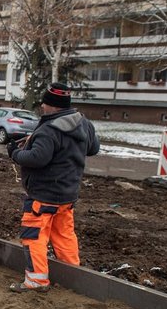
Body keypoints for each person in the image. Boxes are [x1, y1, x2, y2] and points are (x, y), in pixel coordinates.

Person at [7, 82, 100, 293]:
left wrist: (14, 153)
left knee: (34, 236)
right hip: (67, 194)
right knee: (64, 235)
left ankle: (36, 281)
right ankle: (73, 276)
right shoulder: (83, 123)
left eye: (44, 103)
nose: (41, 106)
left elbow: (37, 158)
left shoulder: (49, 129)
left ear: (53, 105)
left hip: (43, 195)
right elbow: (93, 148)